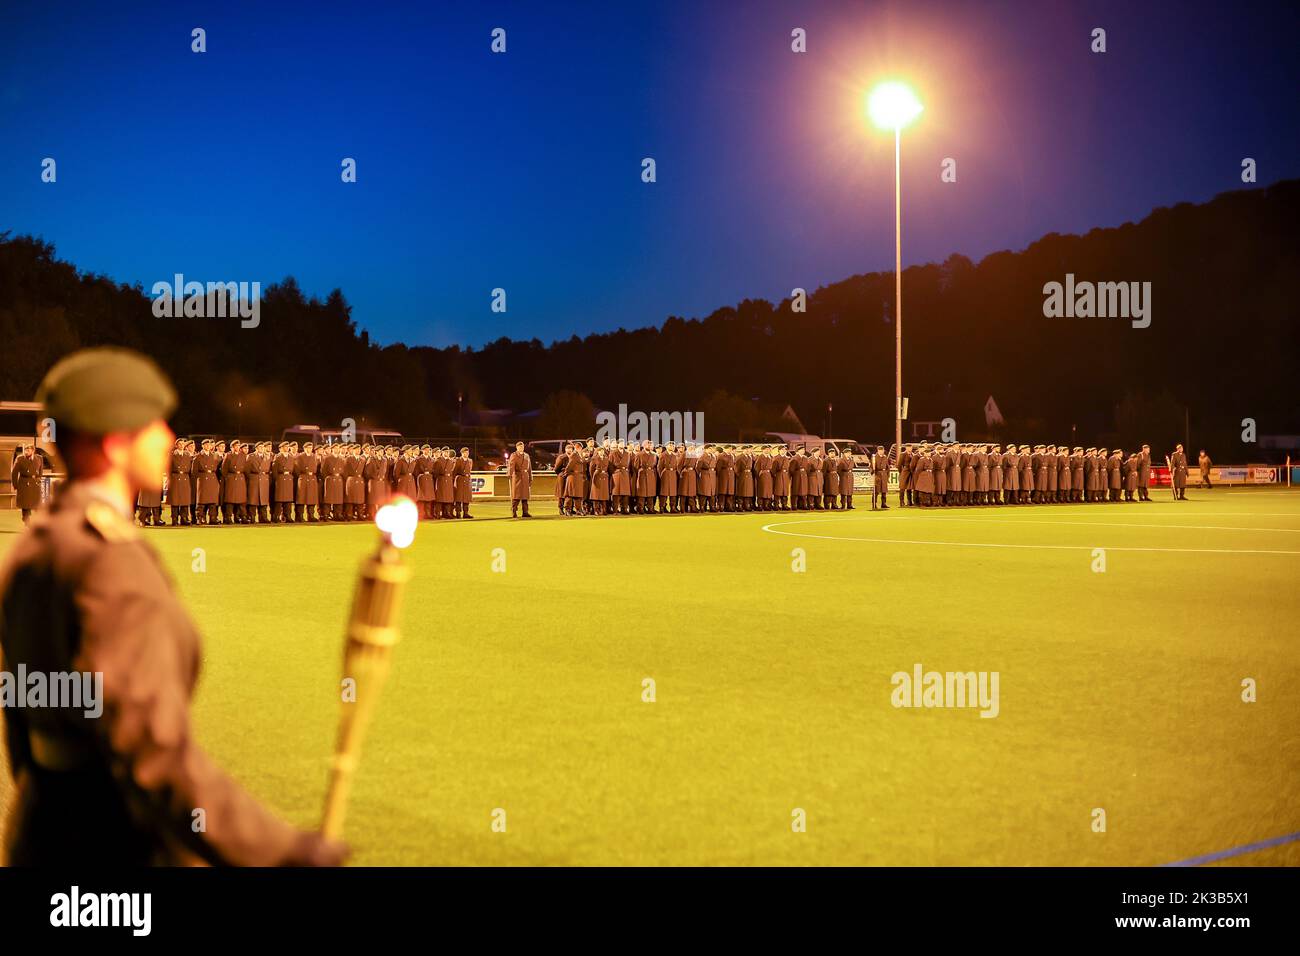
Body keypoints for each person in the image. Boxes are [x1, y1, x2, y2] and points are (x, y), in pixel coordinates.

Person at [0, 347, 345, 866]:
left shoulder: (40, 541)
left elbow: (19, 714)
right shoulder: (106, 561)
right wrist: (283, 852)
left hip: (44, 827)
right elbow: (153, 754)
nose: (168, 438)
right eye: (155, 425)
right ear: (115, 444)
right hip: (108, 844)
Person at [10, 444, 43, 525]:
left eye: (28, 450)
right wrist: (15, 485)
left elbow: (41, 470)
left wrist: (39, 479)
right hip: (24, 483)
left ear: (33, 450)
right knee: (25, 504)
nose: (26, 452)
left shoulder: (39, 458)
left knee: (37, 504)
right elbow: (14, 473)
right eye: (25, 450)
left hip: (35, 483)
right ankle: (26, 520)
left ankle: (39, 521)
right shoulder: (20, 458)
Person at [507, 441, 532, 518]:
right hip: (517, 477)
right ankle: (514, 512)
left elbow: (529, 468)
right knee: (516, 496)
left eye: (522, 447)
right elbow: (511, 465)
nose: (521, 448)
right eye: (520, 447)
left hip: (525, 477)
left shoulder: (527, 456)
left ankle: (525, 512)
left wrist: (530, 477)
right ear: (517, 447)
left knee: (525, 497)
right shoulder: (514, 455)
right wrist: (509, 474)